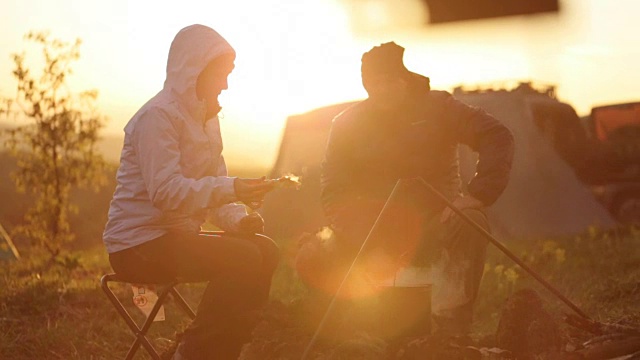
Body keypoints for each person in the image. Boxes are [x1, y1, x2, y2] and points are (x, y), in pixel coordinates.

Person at [102, 24, 279, 360]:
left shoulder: (206, 120)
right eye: (220, 75)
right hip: (137, 244)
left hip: (176, 236)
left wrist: (239, 219)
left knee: (265, 251)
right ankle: (193, 353)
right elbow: (167, 193)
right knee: (243, 258)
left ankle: (227, 349)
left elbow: (213, 187)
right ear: (196, 70)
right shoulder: (157, 117)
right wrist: (233, 189)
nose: (226, 84)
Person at [318, 42, 515, 342]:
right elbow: (334, 184)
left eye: (389, 80)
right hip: (375, 228)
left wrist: (477, 194)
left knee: (472, 218)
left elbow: (496, 135)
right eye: (374, 83)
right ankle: (357, 329)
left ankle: (451, 326)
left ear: (404, 78)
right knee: (314, 251)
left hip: (438, 220)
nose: (382, 89)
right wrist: (349, 223)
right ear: (366, 85)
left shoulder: (438, 108)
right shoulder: (347, 123)